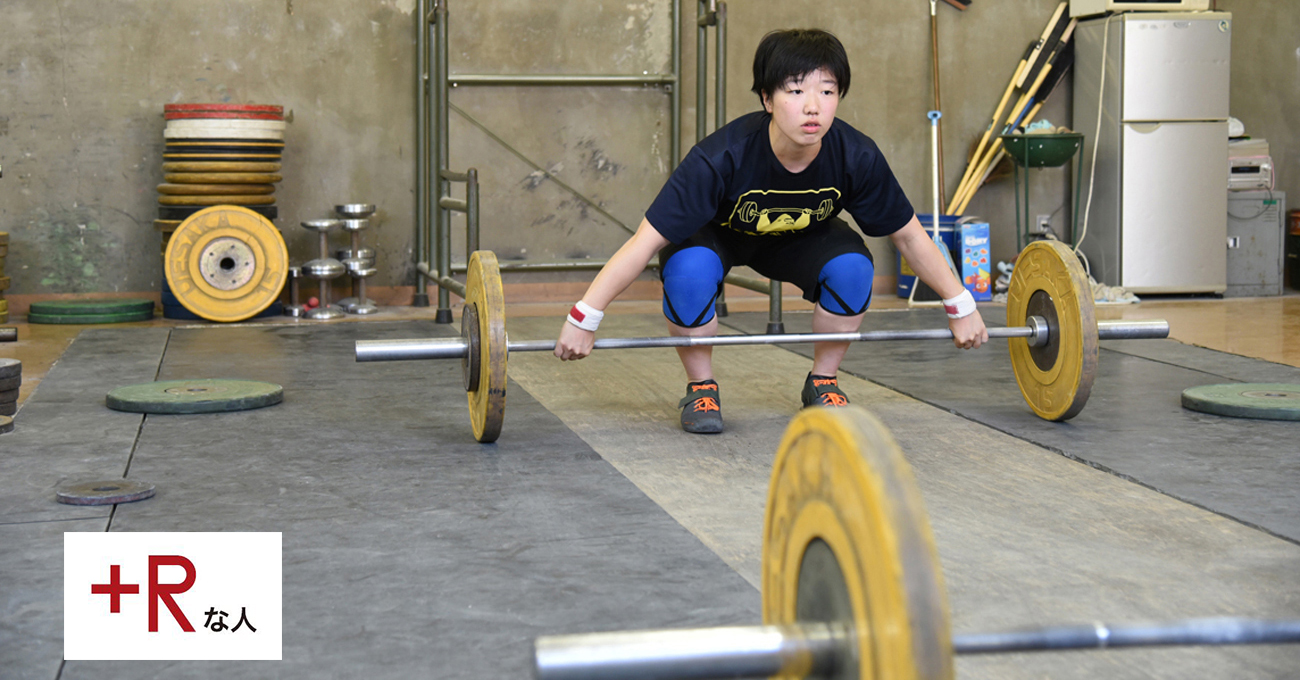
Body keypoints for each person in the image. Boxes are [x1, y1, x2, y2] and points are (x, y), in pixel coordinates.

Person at [555, 28, 987, 434]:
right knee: (688, 273)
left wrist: (959, 303)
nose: (813, 106)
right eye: (796, 91)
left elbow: (910, 236)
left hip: (799, 237)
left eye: (827, 91)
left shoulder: (857, 156)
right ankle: (701, 388)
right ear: (767, 98)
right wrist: (584, 317)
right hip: (716, 236)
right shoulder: (720, 156)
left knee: (854, 270)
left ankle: (823, 381)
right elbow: (644, 242)